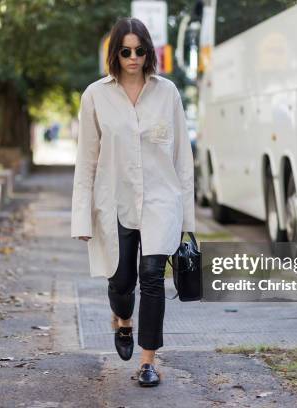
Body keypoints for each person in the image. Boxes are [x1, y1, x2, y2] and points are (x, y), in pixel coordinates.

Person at [70, 17, 195, 387]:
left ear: (149, 52)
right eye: (125, 51)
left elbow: (182, 159)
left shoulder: (167, 93)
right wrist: (81, 219)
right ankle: (123, 320)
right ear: (115, 53)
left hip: (161, 201)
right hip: (116, 202)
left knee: (153, 278)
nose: (133, 57)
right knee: (122, 282)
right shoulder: (95, 96)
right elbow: (86, 161)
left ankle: (147, 361)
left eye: (140, 50)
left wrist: (188, 221)